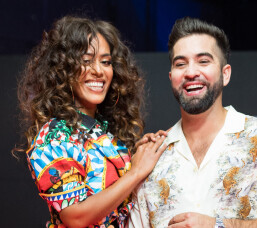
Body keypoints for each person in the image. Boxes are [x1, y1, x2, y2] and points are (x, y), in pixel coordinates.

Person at [128, 17, 257, 228]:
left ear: (225, 74)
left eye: (203, 61)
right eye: (181, 64)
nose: (191, 72)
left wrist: (218, 225)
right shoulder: (152, 157)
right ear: (171, 76)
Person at [15, 15, 167, 228]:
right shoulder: (55, 135)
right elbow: (75, 217)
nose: (98, 70)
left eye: (106, 62)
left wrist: (140, 155)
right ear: (64, 70)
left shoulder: (102, 131)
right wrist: (135, 173)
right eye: (86, 61)